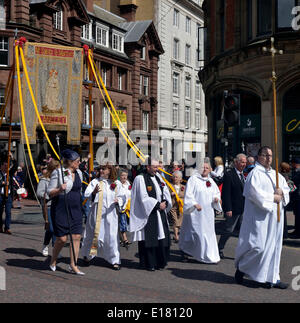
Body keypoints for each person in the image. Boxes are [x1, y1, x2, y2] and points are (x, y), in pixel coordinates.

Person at [235, 146, 290, 289]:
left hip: (275, 219)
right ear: (259, 156)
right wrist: (273, 197)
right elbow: (254, 194)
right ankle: (242, 267)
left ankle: (271, 277)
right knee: (258, 247)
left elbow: (286, 189)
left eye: (270, 155)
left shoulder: (276, 174)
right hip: (259, 218)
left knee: (274, 248)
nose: (268, 158)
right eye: (265, 155)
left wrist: (282, 193)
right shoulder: (255, 174)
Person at [129, 158, 172, 271]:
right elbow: (142, 197)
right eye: (155, 167)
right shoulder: (140, 178)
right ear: (148, 167)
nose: (157, 169)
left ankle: (159, 262)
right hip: (148, 213)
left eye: (158, 167)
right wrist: (157, 205)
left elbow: (164, 191)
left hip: (159, 212)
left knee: (162, 238)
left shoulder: (158, 177)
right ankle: (148, 263)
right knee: (148, 238)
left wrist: (165, 202)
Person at [48, 149, 85, 275]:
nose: (79, 163)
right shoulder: (58, 173)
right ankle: (53, 260)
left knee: (76, 236)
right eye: (77, 161)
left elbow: (80, 191)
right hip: (60, 209)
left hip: (76, 209)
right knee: (62, 239)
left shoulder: (79, 173)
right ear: (70, 162)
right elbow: (49, 192)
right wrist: (59, 189)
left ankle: (73, 265)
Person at [179, 162, 222, 264]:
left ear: (210, 169)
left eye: (207, 168)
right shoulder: (193, 179)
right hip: (195, 212)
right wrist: (193, 203)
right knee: (194, 232)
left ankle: (207, 254)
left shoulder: (211, 181)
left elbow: (216, 193)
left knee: (207, 233)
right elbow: (188, 194)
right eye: (203, 167)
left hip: (208, 213)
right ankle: (186, 251)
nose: (205, 169)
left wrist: (216, 198)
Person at [81, 163, 121, 270]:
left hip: (111, 214)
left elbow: (123, 196)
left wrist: (119, 200)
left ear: (110, 170)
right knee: (95, 235)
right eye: (101, 169)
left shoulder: (116, 183)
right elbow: (86, 194)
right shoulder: (95, 182)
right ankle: (88, 256)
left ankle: (114, 259)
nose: (102, 171)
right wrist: (93, 193)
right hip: (97, 214)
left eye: (104, 169)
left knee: (111, 236)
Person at [218, 153, 247, 259]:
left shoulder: (245, 174)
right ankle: (219, 248)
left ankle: (243, 252)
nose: (244, 164)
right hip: (233, 208)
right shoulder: (229, 175)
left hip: (244, 208)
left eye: (245, 162)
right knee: (228, 230)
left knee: (244, 231)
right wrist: (228, 209)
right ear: (236, 162)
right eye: (242, 162)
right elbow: (226, 194)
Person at [36, 159, 60, 257]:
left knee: (56, 227)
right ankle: (46, 245)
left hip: (58, 205)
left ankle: (55, 249)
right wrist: (49, 195)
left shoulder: (59, 179)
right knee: (50, 228)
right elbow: (39, 192)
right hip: (48, 205)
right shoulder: (44, 180)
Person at [0, 152, 18, 234]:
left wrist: (12, 157)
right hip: (0, 195)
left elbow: (15, 166)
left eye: (7, 166)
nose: (6, 167)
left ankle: (7, 228)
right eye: (4, 165)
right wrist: (3, 183)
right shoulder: (0, 173)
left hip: (8, 195)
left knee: (8, 212)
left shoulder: (9, 173)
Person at [168, 170, 185, 243]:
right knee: (175, 220)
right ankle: (176, 235)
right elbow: (165, 194)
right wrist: (170, 194)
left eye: (177, 177)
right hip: (173, 206)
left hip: (181, 206)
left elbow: (186, 195)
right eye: (174, 177)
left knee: (180, 219)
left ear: (180, 179)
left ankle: (177, 234)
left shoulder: (184, 187)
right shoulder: (169, 185)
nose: (175, 178)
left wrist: (178, 196)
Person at [116, 169, 132, 248]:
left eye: (126, 175)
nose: (124, 177)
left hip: (127, 206)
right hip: (119, 206)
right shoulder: (117, 183)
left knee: (123, 222)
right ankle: (125, 239)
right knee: (122, 222)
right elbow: (115, 194)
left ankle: (120, 238)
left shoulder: (128, 184)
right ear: (120, 176)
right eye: (122, 175)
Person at [290, 158, 300, 238]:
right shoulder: (295, 171)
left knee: (298, 214)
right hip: (295, 196)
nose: (291, 165)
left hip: (298, 197)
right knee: (296, 214)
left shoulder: (298, 172)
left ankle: (298, 232)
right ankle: (296, 230)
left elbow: (295, 183)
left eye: (292, 163)